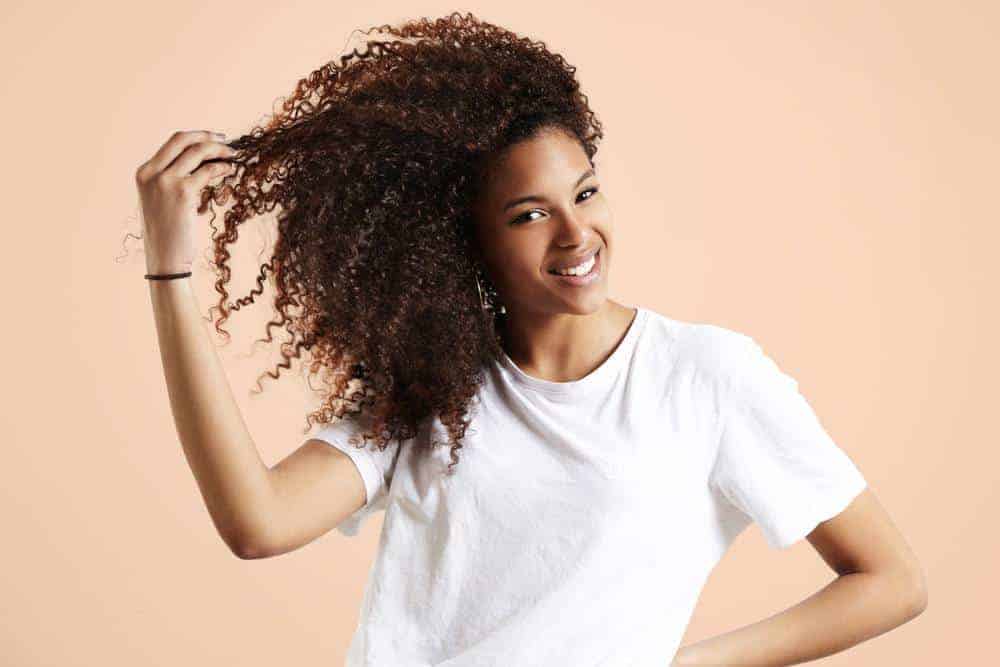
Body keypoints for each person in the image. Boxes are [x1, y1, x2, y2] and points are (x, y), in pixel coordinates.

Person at [134, 12, 927, 667]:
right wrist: (171, 271)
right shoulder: (429, 389)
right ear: (464, 243)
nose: (577, 233)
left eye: (585, 192)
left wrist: (682, 663)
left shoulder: (705, 376)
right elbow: (257, 522)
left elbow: (890, 579)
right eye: (530, 213)